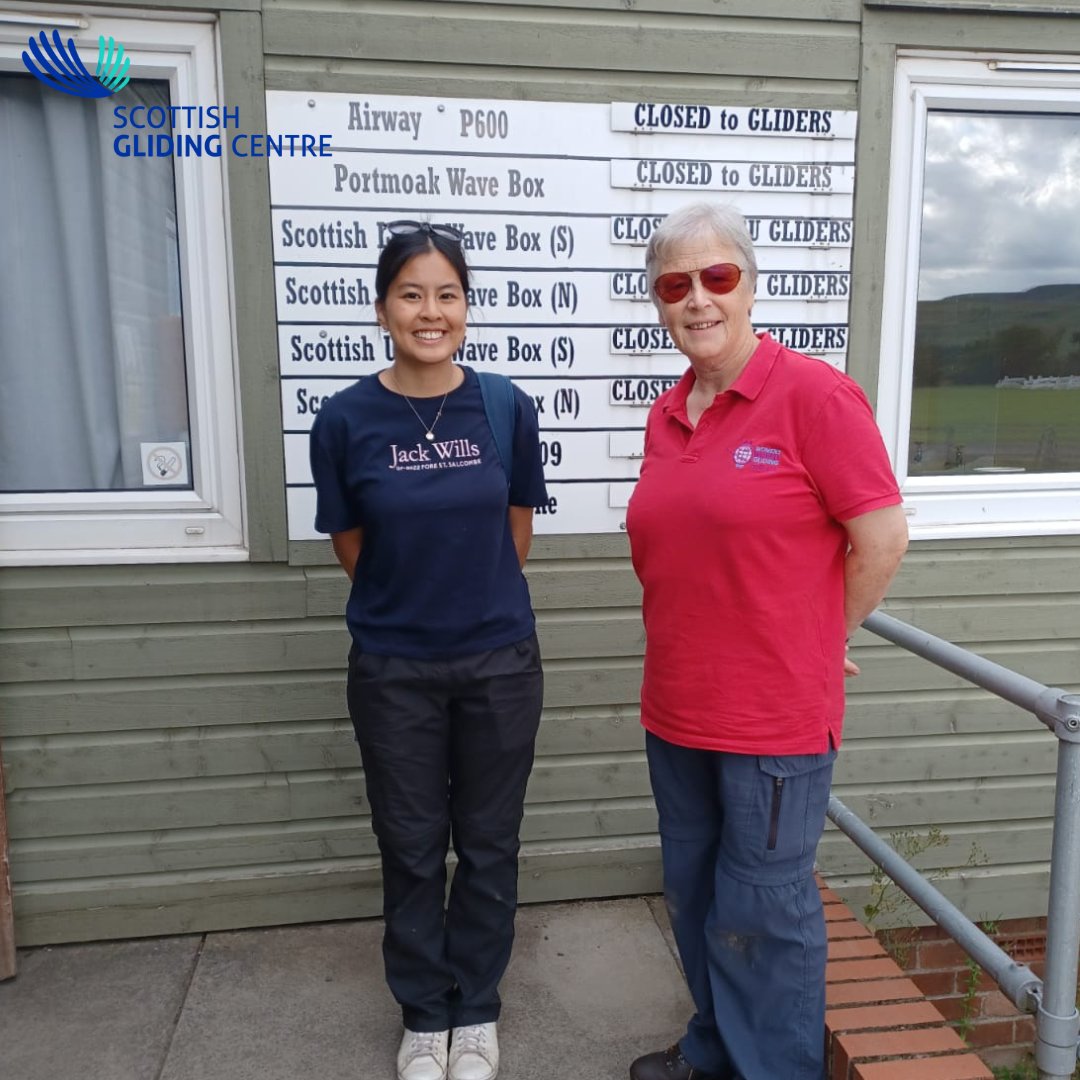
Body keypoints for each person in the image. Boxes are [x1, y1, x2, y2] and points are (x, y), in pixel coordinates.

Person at [624, 202, 909, 1080]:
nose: (698, 300)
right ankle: (715, 1050)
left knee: (764, 913)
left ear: (749, 285)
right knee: (700, 896)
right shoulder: (670, 413)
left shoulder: (815, 396)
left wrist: (823, 636)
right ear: (659, 301)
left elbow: (883, 535)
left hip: (772, 718)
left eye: (717, 277)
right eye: (676, 284)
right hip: (676, 707)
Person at [309, 220, 548, 1080]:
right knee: (410, 845)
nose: (430, 311)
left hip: (497, 662)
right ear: (382, 309)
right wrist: (413, 603)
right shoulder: (344, 419)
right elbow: (352, 544)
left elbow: (513, 531)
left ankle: (475, 1012)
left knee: (487, 842)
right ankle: (423, 1017)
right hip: (394, 670)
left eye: (447, 293)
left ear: (468, 308)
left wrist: (466, 597)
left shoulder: (506, 407)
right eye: (412, 293)